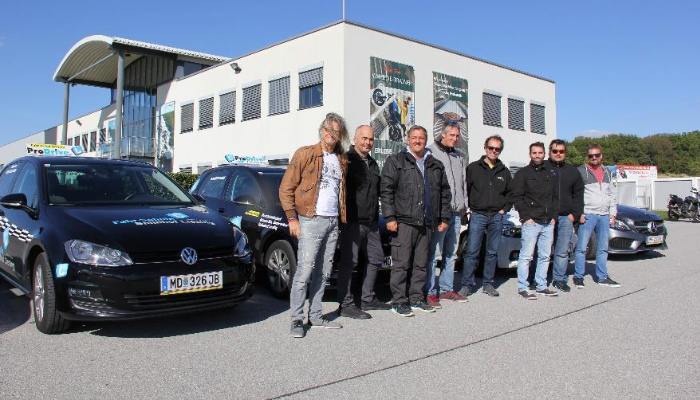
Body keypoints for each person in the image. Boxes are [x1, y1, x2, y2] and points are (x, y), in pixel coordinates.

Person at [279, 113, 349, 338]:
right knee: (304, 271)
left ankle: (316, 315)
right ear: (321, 130)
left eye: (335, 131)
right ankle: (296, 319)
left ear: (340, 134)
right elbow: (286, 188)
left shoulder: (341, 159)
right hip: (310, 220)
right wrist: (292, 219)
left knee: (324, 272)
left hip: (332, 221)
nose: (331, 134)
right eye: (328, 129)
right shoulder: (305, 153)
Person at [380, 125, 452, 317]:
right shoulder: (396, 161)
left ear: (425, 140)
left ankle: (417, 298)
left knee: (421, 263)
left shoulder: (435, 164)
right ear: (408, 139)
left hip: (427, 222)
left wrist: (444, 217)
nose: (417, 141)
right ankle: (399, 301)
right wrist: (390, 217)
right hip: (404, 221)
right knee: (401, 264)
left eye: (421, 138)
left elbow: (445, 193)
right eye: (414, 137)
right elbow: (386, 190)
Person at [336, 125, 391, 320]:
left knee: (376, 257)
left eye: (370, 139)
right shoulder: (346, 160)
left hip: (372, 222)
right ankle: (345, 304)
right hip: (353, 221)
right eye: (364, 138)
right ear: (355, 139)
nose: (367, 142)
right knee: (349, 262)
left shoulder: (373, 164)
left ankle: (368, 298)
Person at [458, 135, 512, 298]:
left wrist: (505, 209)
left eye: (497, 149)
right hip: (478, 215)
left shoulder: (504, 171)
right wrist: (467, 209)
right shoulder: (473, 168)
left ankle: (488, 284)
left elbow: (511, 193)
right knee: (472, 251)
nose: (494, 151)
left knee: (492, 252)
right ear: (485, 148)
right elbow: (465, 189)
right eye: (491, 148)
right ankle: (467, 285)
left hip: (496, 216)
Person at [424, 122, 469, 308]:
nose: (455, 139)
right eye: (452, 135)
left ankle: (446, 289)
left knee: (451, 254)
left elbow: (463, 183)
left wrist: (464, 205)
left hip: (456, 213)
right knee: (434, 254)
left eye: (457, 136)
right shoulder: (430, 152)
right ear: (443, 134)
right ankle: (429, 291)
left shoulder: (459, 156)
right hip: (439, 213)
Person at [511, 142, 559, 300]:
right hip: (532, 222)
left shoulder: (551, 173)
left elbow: (555, 197)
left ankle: (541, 286)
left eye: (540, 152)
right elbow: (517, 197)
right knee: (526, 256)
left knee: (545, 256)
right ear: (530, 154)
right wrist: (526, 217)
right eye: (534, 153)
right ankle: (523, 287)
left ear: (544, 154)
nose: (537, 155)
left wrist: (554, 217)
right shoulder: (523, 173)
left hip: (548, 222)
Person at [573, 144, 621, 288]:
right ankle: (578, 276)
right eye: (591, 155)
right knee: (582, 247)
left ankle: (602, 277)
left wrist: (612, 213)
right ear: (588, 157)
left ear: (601, 155)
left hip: (604, 215)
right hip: (588, 214)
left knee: (603, 248)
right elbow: (576, 194)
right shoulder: (581, 171)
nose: (594, 158)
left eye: (597, 155)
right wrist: (579, 213)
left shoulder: (608, 172)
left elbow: (612, 194)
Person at [545, 139, 584, 292]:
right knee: (541, 251)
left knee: (562, 251)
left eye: (561, 151)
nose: (558, 154)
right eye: (555, 151)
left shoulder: (572, 171)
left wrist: (574, 215)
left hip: (565, 218)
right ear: (550, 152)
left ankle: (559, 279)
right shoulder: (542, 168)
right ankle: (537, 279)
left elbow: (578, 195)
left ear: (565, 153)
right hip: (545, 217)